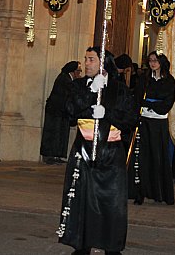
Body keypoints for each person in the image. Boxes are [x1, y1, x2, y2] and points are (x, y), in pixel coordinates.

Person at [57, 46, 136, 255]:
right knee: (82, 199)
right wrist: (91, 93)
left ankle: (111, 245)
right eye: (85, 59)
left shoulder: (120, 89)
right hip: (83, 151)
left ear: (103, 62)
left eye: (91, 59)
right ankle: (82, 243)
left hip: (111, 153)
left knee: (111, 202)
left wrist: (108, 113)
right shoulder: (80, 86)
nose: (86, 64)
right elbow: (70, 111)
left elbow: (130, 120)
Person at [128, 51, 175, 205]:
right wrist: (148, 104)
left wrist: (149, 104)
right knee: (141, 158)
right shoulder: (144, 79)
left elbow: (167, 103)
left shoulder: (169, 81)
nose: (152, 63)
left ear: (161, 62)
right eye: (150, 61)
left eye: (155, 61)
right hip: (144, 121)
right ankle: (139, 192)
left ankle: (159, 192)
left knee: (157, 156)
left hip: (158, 123)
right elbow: (137, 98)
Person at [40, 61, 82, 165]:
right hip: (55, 112)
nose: (80, 73)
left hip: (61, 112)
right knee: (53, 133)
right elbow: (70, 92)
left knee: (60, 134)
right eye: (79, 71)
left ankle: (56, 155)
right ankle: (49, 156)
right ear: (73, 71)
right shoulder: (64, 79)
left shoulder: (66, 78)